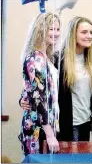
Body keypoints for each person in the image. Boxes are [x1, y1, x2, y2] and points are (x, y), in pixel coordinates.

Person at [18, 12, 61, 154]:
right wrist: (49, 133)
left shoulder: (47, 57)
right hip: (38, 128)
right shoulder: (35, 58)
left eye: (58, 29)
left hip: (46, 126)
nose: (56, 33)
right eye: (51, 29)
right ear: (41, 30)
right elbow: (37, 98)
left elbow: (30, 89)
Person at [56, 16, 92, 141]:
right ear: (73, 34)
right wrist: (23, 99)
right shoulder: (58, 61)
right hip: (69, 125)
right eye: (84, 32)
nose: (89, 36)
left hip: (85, 123)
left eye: (91, 32)